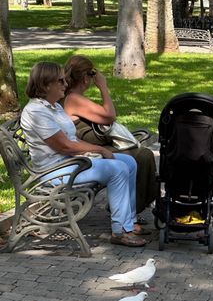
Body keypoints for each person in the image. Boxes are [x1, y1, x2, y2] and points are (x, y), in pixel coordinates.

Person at [20, 62, 145, 247]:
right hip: (54, 171)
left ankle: (129, 221)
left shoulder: (53, 106)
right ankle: (120, 231)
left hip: (71, 162)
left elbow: (72, 140)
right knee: (117, 169)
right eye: (60, 81)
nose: (65, 84)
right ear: (46, 85)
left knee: (129, 161)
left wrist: (99, 151)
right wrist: (101, 150)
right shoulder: (37, 111)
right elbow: (65, 146)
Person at [63, 55, 157, 227]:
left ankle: (129, 210)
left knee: (143, 155)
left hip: (96, 145)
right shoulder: (74, 99)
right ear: (85, 78)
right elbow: (109, 116)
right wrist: (103, 87)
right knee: (142, 156)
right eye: (91, 77)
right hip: (89, 150)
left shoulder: (72, 97)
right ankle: (129, 212)